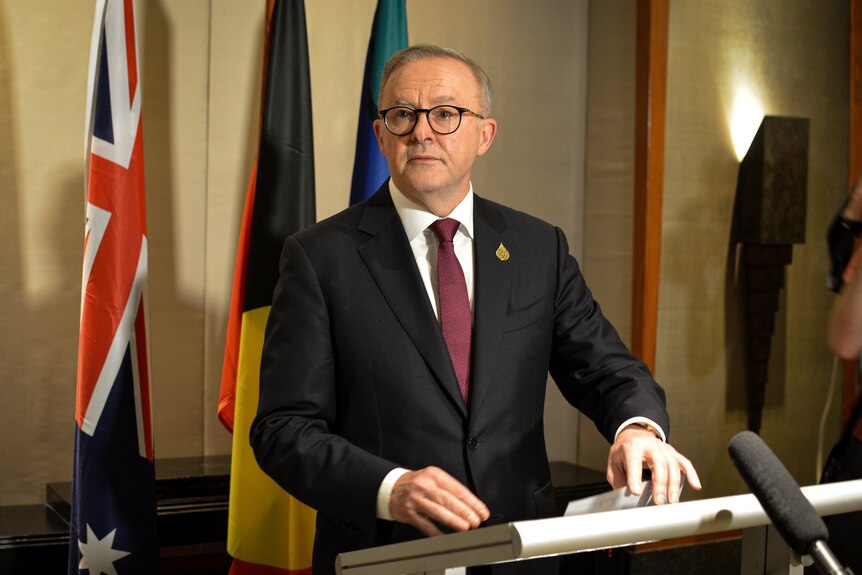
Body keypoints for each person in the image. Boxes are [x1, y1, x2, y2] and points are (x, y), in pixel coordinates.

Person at [251, 44, 701, 575]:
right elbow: (283, 429)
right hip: (388, 555)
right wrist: (390, 488)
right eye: (402, 115)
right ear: (380, 134)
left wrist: (637, 428)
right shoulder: (320, 257)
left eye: (445, 114)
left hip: (521, 554)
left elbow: (606, 368)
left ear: (484, 135)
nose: (422, 132)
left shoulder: (539, 249)